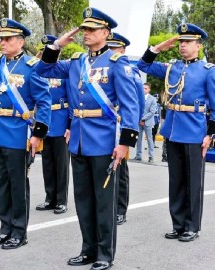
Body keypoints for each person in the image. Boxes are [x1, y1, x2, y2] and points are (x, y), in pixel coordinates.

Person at [36, 8, 139, 270]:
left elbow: (130, 106)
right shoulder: (76, 62)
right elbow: (42, 69)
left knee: (104, 202)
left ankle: (105, 254)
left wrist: (125, 143)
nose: (86, 34)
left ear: (105, 33)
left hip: (104, 141)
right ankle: (87, 250)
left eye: (92, 30)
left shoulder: (117, 63)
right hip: (79, 141)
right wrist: (58, 44)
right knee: (83, 200)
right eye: (84, 29)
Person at [0, 18, 51, 249]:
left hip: (18, 132)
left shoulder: (32, 66)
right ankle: (5, 229)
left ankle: (19, 232)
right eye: (1, 39)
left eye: (7, 39)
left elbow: (44, 101)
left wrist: (38, 134)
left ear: (21, 42)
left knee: (17, 184)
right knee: (2, 183)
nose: (2, 43)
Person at [137, 23, 215, 242]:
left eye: (188, 42)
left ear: (198, 45)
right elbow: (142, 65)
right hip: (173, 132)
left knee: (194, 182)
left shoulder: (207, 71)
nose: (182, 46)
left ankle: (192, 226)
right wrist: (157, 48)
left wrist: (209, 135)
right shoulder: (171, 67)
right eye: (181, 42)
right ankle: (177, 224)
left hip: (195, 133)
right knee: (175, 181)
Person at [106, 32, 145, 226]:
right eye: (108, 47)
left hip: (120, 126)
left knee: (119, 171)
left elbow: (137, 103)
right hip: (104, 126)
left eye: (114, 48)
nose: (110, 51)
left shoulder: (130, 71)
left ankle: (120, 209)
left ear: (122, 50)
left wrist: (130, 130)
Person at [35, 35, 70, 215]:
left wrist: (70, 125)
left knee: (61, 164)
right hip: (45, 121)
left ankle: (61, 200)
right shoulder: (38, 70)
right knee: (47, 163)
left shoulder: (64, 70)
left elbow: (73, 99)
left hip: (61, 121)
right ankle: (50, 198)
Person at [133, 83, 156, 163]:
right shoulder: (138, 97)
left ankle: (151, 157)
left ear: (149, 89)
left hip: (148, 122)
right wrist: (138, 119)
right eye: (143, 88)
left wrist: (142, 119)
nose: (143, 90)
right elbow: (136, 108)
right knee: (138, 139)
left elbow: (152, 111)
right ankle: (138, 155)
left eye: (145, 88)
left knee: (149, 139)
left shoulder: (152, 99)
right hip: (139, 122)